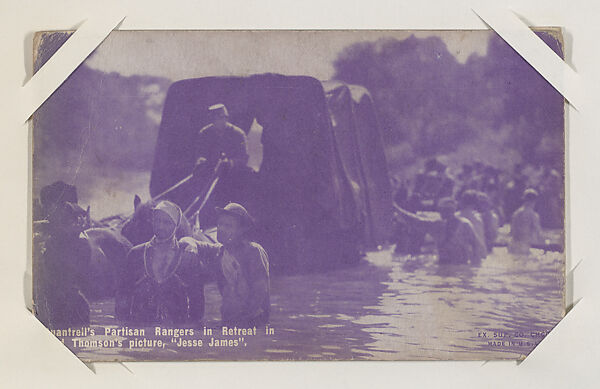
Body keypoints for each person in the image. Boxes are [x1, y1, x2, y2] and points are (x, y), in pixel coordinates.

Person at [117, 200, 206, 325]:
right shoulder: (136, 254)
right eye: (158, 221)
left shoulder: (188, 258)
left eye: (167, 222)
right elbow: (123, 297)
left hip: (176, 330)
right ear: (152, 221)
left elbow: (197, 305)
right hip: (141, 328)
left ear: (176, 226)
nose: (161, 226)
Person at [192, 202, 270, 326]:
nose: (221, 229)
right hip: (229, 320)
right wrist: (188, 242)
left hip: (253, 321)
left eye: (228, 226)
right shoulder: (220, 251)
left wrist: (243, 320)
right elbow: (197, 244)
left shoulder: (254, 252)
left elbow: (260, 291)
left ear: (241, 230)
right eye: (220, 224)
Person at [394, 198, 482, 265]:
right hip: (444, 264)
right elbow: (415, 221)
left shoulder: (464, 224)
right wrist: (396, 208)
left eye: (448, 210)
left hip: (461, 265)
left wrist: (474, 266)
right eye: (443, 210)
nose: (445, 213)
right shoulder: (436, 225)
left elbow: (476, 245)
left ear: (453, 210)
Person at [457, 190, 488, 262]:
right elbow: (481, 240)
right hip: (478, 255)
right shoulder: (477, 218)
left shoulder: (456, 217)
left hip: (461, 256)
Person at [509, 189, 543, 255]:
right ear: (534, 201)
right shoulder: (533, 215)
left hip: (513, 244)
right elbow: (538, 232)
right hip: (524, 246)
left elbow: (512, 230)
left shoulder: (516, 213)